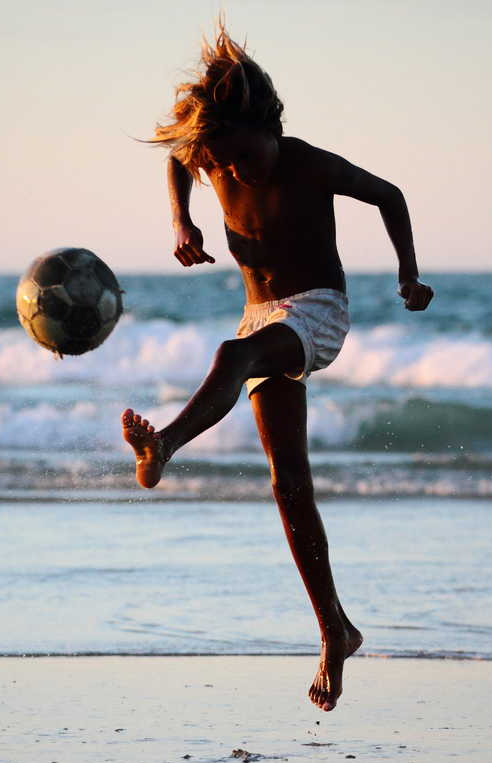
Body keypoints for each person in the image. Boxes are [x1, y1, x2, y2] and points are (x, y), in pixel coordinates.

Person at [122, 24, 432, 712]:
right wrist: (181, 222)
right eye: (221, 163)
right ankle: (335, 629)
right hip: (260, 317)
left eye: (239, 157)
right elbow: (179, 158)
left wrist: (407, 276)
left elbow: (389, 194)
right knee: (287, 481)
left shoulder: (306, 163)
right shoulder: (214, 158)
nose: (231, 172)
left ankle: (164, 443)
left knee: (232, 357)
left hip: (317, 312)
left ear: (268, 129)